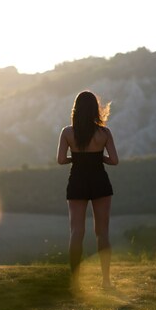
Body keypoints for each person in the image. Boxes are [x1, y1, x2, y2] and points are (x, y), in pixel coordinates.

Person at [57, 91, 119, 291]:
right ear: (95, 109)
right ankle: (106, 281)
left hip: (77, 182)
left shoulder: (67, 132)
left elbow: (60, 160)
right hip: (100, 182)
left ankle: (74, 282)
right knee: (103, 233)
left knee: (76, 232)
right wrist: (98, 157)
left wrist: (76, 158)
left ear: (76, 109)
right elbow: (114, 160)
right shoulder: (104, 133)